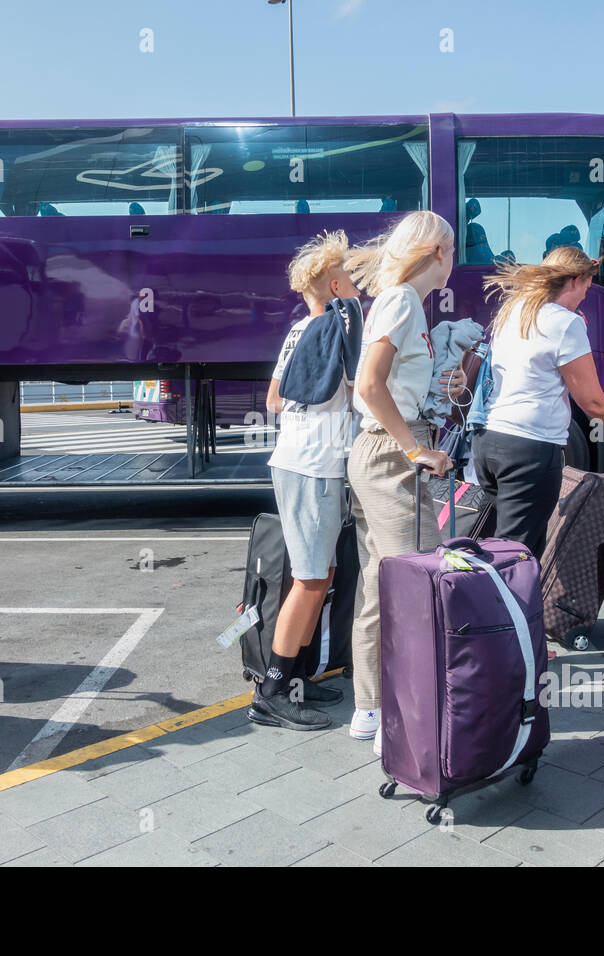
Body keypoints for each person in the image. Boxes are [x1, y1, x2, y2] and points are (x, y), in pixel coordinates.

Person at [343, 211, 463, 747]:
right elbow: (369, 387)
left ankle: (372, 709)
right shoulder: (402, 301)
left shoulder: (402, 302)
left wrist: (448, 384)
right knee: (418, 583)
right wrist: (417, 449)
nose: (455, 261)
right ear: (438, 251)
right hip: (394, 454)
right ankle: (402, 717)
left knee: (382, 586)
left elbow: (385, 383)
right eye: (453, 250)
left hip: (382, 451)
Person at [473, 246, 604, 556]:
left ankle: (494, 601)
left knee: (498, 544)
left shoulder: (516, 309)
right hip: (529, 447)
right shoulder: (564, 323)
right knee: (517, 555)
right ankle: (511, 605)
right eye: (586, 284)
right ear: (574, 280)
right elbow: (592, 402)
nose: (587, 293)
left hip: (488, 443)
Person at [249, 231, 358, 731]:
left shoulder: (298, 331)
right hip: (313, 464)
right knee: (312, 579)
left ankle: (294, 675)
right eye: (352, 279)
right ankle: (272, 691)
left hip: (298, 459)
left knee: (321, 577)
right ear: (336, 285)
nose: (358, 287)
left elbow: (273, 400)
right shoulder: (335, 332)